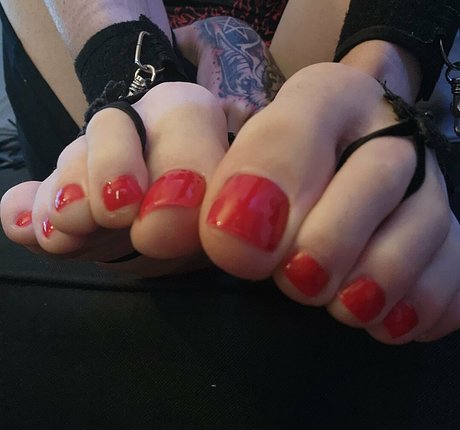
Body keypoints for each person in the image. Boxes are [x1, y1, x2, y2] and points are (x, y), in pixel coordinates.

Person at [1, 0, 459, 345]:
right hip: (116, 38)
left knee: (359, 75)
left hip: (319, 44)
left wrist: (378, 70)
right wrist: (134, 69)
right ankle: (140, 92)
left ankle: (367, 89)